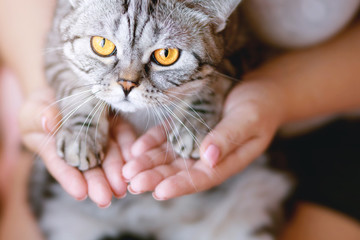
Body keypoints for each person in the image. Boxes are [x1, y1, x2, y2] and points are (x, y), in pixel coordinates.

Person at [1, 0, 360, 239]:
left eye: (165, 54)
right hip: (99, 181)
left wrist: (270, 96)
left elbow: (229, 57)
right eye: (104, 48)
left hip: (306, 129)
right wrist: (71, 110)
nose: (128, 82)